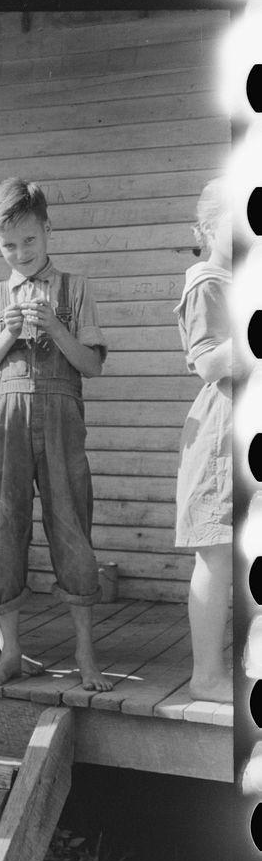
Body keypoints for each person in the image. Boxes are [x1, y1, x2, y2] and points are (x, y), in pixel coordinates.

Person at [0, 178, 112, 691]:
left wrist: (56, 327)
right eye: (9, 245)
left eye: (30, 240)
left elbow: (90, 367)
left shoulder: (75, 288)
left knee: (72, 528)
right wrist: (7, 333)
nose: (22, 253)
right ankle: (9, 651)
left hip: (61, 424)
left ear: (47, 230)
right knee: (4, 533)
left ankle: (85, 654)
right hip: (4, 426)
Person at [174, 178, 233, 704]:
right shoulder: (208, 281)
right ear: (210, 228)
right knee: (216, 552)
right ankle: (207, 676)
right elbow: (206, 361)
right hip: (221, 434)